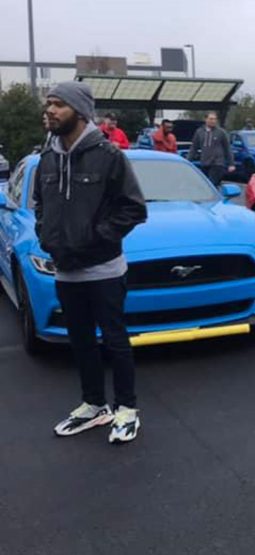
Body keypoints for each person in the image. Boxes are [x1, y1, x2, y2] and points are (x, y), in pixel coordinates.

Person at [38, 82, 148, 443]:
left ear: (79, 111)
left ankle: (126, 409)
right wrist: (47, 236)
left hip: (103, 269)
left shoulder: (110, 156)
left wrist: (93, 237)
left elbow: (133, 208)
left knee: (115, 341)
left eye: (58, 104)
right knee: (81, 341)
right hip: (66, 269)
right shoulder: (47, 157)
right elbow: (41, 204)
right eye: (49, 104)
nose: (50, 110)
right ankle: (93, 405)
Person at [187, 112, 235, 187]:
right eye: (211, 119)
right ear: (206, 119)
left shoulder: (221, 132)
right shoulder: (199, 132)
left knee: (212, 184)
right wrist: (188, 161)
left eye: (215, 119)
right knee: (205, 185)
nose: (213, 121)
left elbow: (227, 148)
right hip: (204, 162)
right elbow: (194, 147)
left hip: (217, 163)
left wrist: (231, 164)